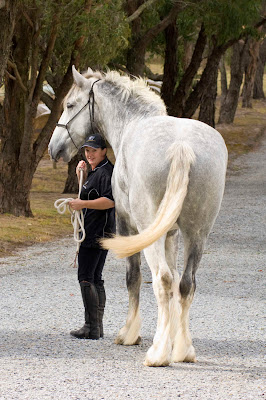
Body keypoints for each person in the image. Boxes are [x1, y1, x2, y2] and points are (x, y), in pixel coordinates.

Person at [69, 133, 115, 340]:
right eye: (87, 150)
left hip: (95, 232)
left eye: (94, 150)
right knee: (95, 277)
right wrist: (84, 175)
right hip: (98, 231)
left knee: (86, 277)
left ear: (104, 151)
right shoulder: (98, 171)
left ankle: (91, 327)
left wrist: (82, 204)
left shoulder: (106, 173)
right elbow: (91, 193)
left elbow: (110, 201)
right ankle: (97, 327)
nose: (89, 154)